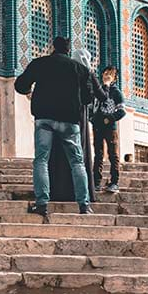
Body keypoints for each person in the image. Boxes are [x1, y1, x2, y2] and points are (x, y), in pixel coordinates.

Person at [14, 35, 97, 218]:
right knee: (77, 162)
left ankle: (42, 203)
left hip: (44, 119)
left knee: (41, 160)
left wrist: (30, 91)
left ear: (53, 47)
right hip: (69, 121)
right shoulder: (80, 69)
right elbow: (88, 98)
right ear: (68, 50)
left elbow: (20, 85)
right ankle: (84, 204)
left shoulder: (40, 64)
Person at [92, 65, 125, 193]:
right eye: (105, 73)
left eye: (110, 74)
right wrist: (93, 118)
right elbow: (93, 105)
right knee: (98, 155)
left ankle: (114, 182)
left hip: (110, 128)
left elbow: (122, 111)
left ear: (114, 78)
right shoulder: (98, 90)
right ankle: (96, 182)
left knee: (113, 155)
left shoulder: (116, 92)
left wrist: (109, 118)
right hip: (98, 127)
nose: (107, 75)